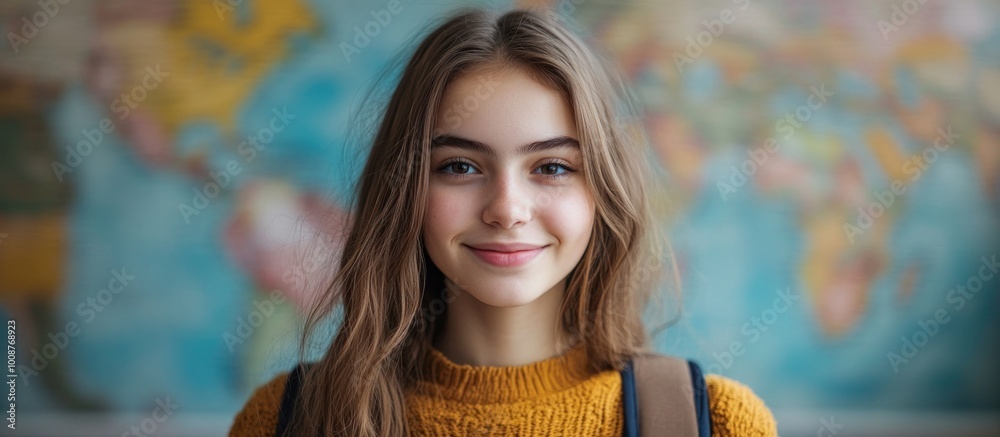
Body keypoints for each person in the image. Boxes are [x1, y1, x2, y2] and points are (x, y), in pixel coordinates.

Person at [229, 7, 777, 437]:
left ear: (602, 193)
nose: (508, 208)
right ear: (406, 191)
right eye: (460, 166)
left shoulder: (720, 424)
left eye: (554, 167)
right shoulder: (284, 422)